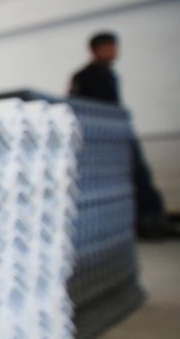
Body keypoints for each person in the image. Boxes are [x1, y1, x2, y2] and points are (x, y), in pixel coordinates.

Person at [69, 31, 170, 238]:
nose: (112, 52)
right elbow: (77, 107)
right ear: (95, 50)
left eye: (114, 47)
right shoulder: (83, 77)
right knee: (116, 183)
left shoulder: (111, 75)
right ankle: (139, 225)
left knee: (141, 175)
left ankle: (153, 222)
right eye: (107, 47)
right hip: (101, 141)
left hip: (120, 133)